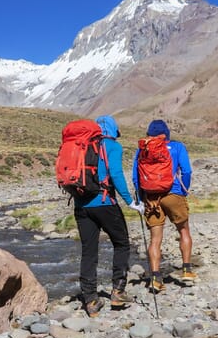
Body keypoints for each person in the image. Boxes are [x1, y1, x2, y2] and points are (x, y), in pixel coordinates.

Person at [75, 116, 143, 316]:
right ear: (113, 130)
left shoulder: (81, 145)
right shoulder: (112, 146)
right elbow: (116, 174)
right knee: (121, 243)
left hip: (81, 205)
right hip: (104, 202)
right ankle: (118, 291)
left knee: (89, 251)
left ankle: (90, 300)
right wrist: (130, 201)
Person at [132, 119, 195, 292]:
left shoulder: (142, 149)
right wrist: (183, 191)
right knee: (183, 230)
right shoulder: (177, 147)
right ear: (166, 134)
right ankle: (187, 270)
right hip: (174, 194)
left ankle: (155, 278)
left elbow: (135, 177)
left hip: (151, 198)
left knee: (155, 239)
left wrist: (142, 197)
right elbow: (187, 171)